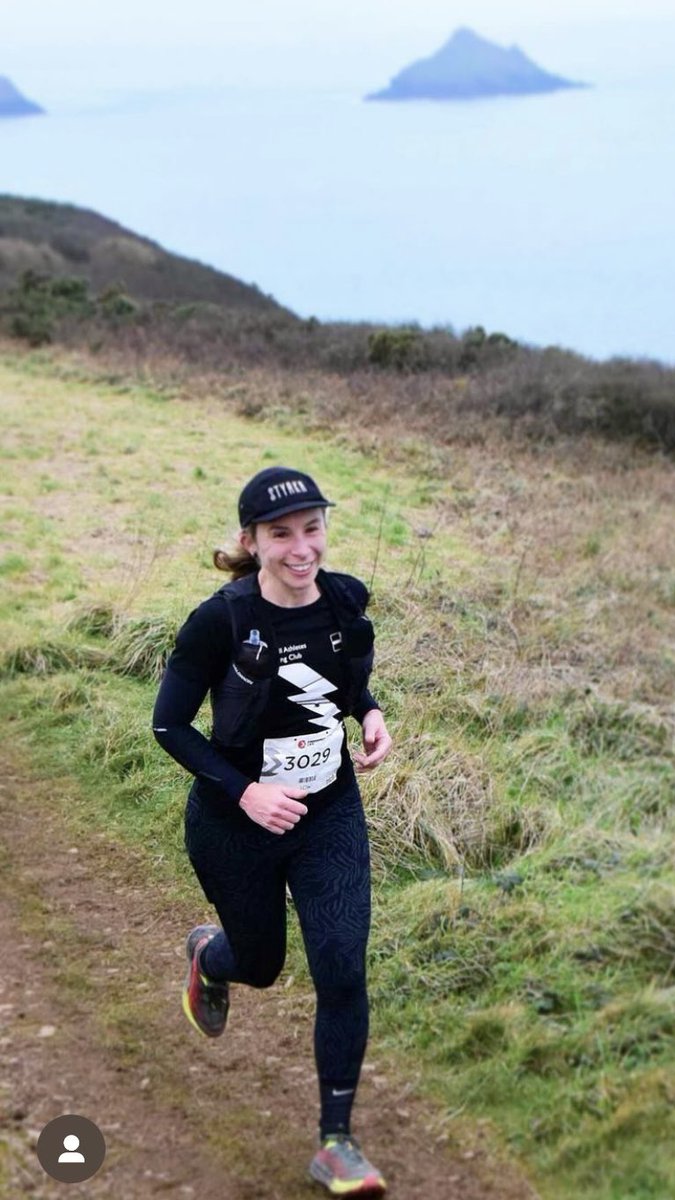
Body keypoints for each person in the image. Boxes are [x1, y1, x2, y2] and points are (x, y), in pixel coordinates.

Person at [152, 465, 393, 1196]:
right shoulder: (220, 620)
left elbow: (344, 681)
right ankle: (211, 957)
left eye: (312, 529)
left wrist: (370, 714)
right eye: (281, 534)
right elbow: (169, 725)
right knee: (260, 965)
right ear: (252, 541)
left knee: (342, 966)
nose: (301, 548)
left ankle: (336, 1143)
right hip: (235, 824)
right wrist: (246, 792)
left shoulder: (345, 600)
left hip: (328, 813)